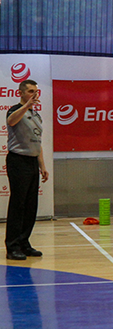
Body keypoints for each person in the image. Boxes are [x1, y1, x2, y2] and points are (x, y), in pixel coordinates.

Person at [5, 80, 49, 260]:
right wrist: (27, 106)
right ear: (21, 93)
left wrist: (42, 166)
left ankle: (24, 242)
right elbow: (11, 121)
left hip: (32, 162)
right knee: (18, 204)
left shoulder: (36, 116)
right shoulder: (15, 110)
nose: (34, 94)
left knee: (31, 205)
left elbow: (37, 142)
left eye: (36, 91)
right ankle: (12, 246)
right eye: (30, 91)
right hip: (18, 161)